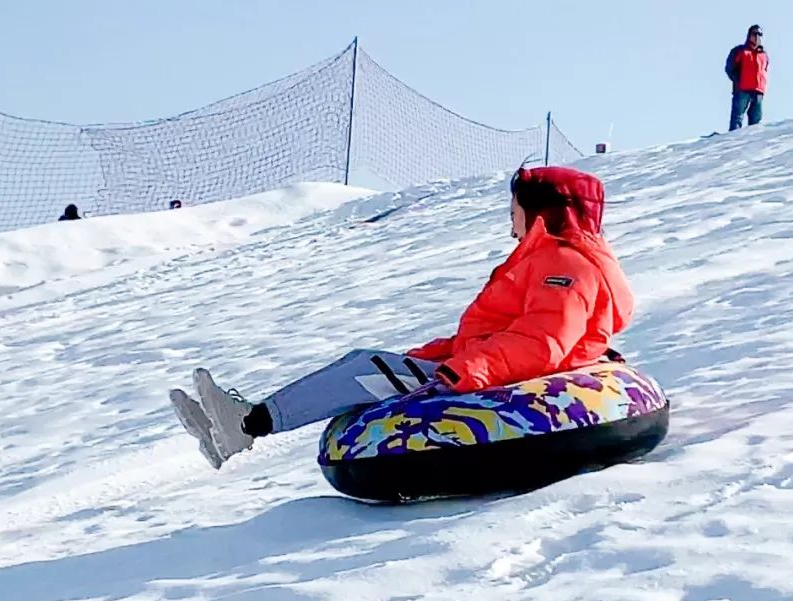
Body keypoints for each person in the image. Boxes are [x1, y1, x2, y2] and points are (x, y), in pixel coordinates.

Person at [169, 166, 634, 469]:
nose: (507, 218)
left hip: (508, 384)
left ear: (539, 213)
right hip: (488, 371)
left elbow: (542, 341)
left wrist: (466, 369)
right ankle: (234, 427)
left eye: (514, 208)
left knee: (363, 369)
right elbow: (495, 333)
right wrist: (434, 355)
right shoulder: (543, 259)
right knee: (369, 365)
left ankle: (244, 426)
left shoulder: (566, 266)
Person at [725, 24, 769, 131]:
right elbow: (730, 68)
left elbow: (765, 70)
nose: (757, 37)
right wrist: (738, 81)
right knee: (737, 118)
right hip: (742, 90)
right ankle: (732, 141)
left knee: (756, 122)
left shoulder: (764, 55)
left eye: (760, 34)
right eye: (755, 34)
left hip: (758, 91)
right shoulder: (740, 51)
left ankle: (752, 144)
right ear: (749, 35)